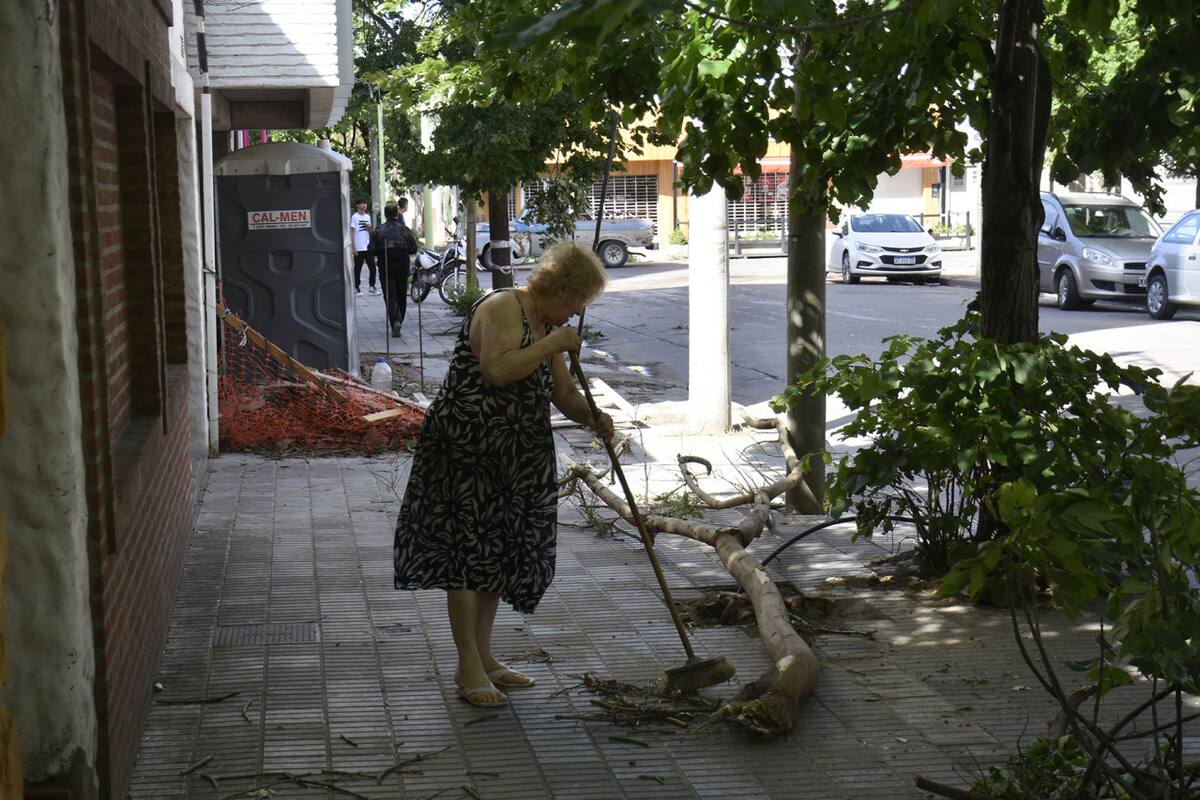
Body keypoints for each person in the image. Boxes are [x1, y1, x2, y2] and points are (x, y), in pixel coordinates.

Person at [393, 242, 614, 709]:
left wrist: (592, 417)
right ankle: (466, 662)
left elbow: (562, 393)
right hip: (468, 450)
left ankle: (486, 656)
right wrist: (553, 344)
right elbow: (496, 370)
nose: (577, 311)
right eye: (577, 300)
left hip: (516, 453)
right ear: (559, 287)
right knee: (468, 554)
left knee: (496, 553)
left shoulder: (545, 322)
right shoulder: (503, 306)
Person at [371, 203, 418, 337]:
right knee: (401, 293)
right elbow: (413, 248)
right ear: (397, 214)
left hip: (385, 264)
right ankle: (399, 320)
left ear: (385, 215)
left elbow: (371, 249)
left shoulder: (379, 231)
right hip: (402, 264)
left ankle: (395, 321)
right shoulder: (405, 230)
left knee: (389, 295)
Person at [350, 199, 377, 296]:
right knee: (358, 268)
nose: (364, 205)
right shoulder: (354, 217)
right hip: (359, 246)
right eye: (361, 203)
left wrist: (370, 227)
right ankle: (357, 287)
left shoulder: (368, 217)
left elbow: (370, 232)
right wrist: (353, 247)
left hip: (368, 246)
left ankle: (372, 287)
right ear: (357, 206)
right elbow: (352, 232)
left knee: (373, 268)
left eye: (364, 203)